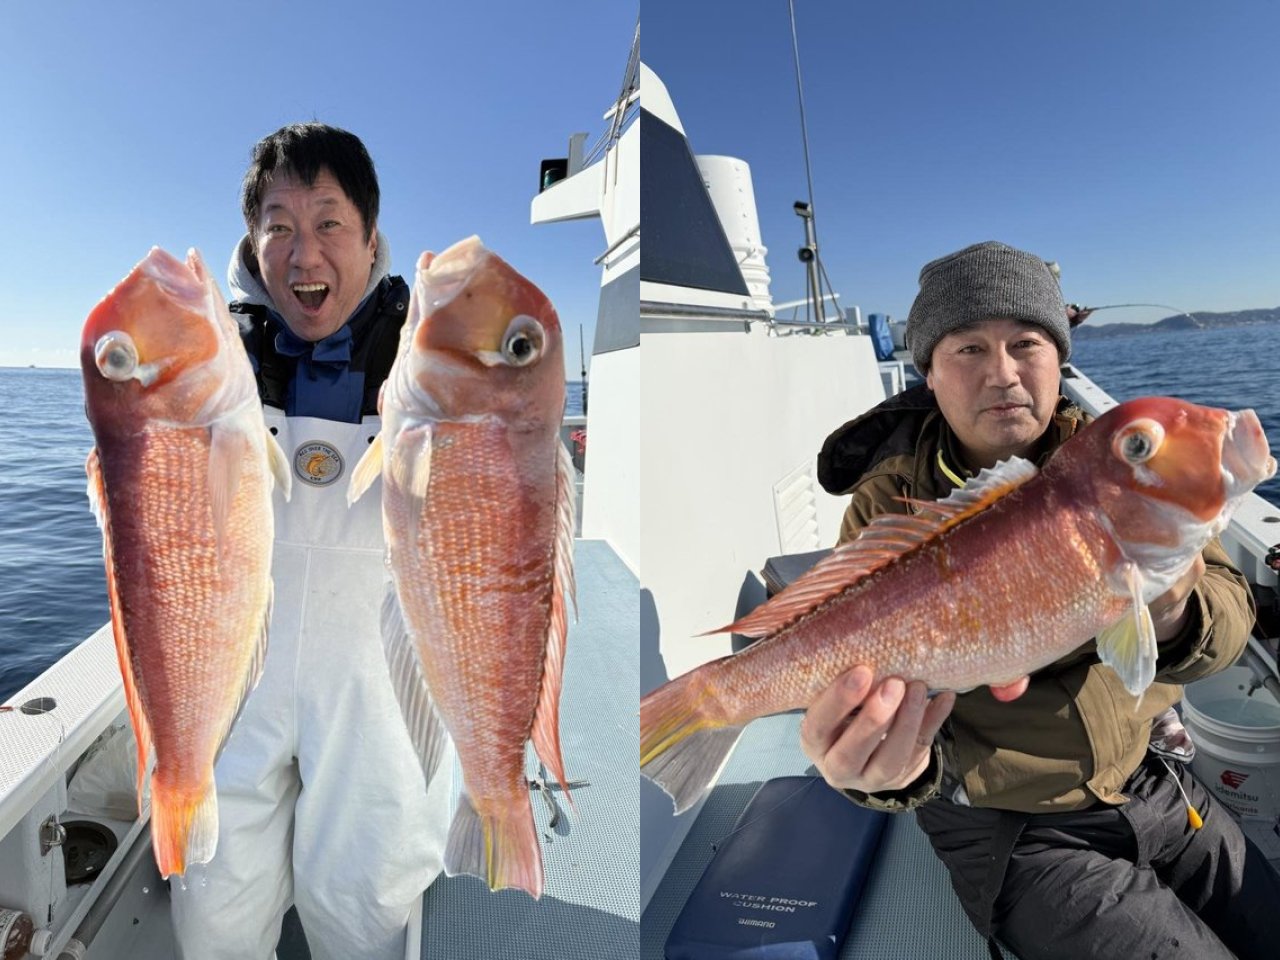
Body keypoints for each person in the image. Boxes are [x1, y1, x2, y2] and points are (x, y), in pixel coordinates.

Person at [809, 241, 1280, 959]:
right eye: (968, 348)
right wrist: (881, 775)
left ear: (1058, 357)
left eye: (1025, 342)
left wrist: (1173, 608)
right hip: (1015, 831)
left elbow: (1227, 617)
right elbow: (885, 708)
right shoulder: (889, 509)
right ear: (927, 373)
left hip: (1150, 781)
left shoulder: (1115, 462)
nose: (1003, 374)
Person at [169, 123, 453, 960]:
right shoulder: (206, 356)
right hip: (233, 686)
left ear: (371, 235)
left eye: (328, 222)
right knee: (215, 908)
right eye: (280, 226)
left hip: (376, 690)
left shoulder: (427, 357)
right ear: (253, 243)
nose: (304, 255)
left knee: (367, 909)